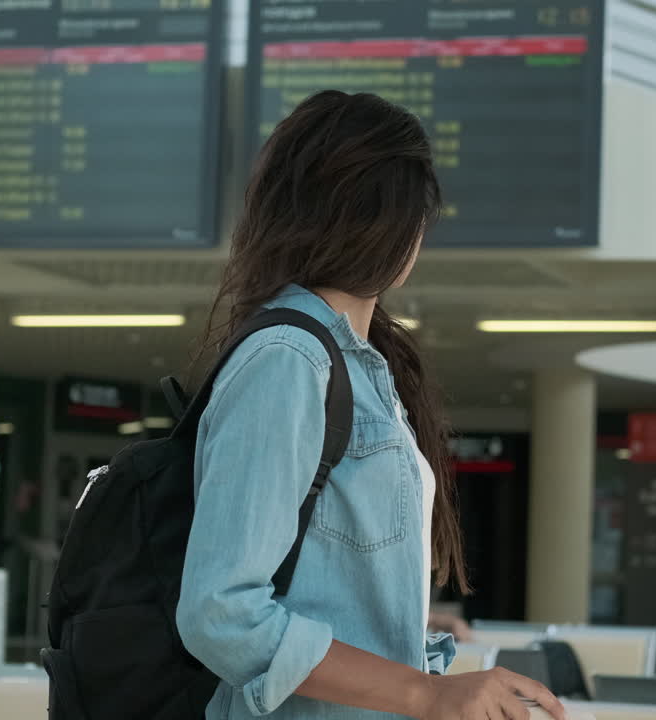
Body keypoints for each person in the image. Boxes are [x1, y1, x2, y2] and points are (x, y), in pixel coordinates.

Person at [177, 90, 566, 720]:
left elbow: (315, 585)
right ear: (397, 225)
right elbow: (220, 613)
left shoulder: (357, 367)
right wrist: (426, 691)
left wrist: (409, 641)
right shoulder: (290, 360)